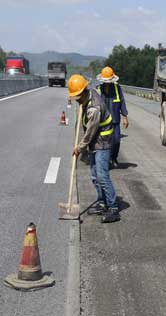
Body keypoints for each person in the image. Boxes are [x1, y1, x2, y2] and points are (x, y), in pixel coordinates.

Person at [68, 74, 120, 223]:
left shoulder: (94, 108)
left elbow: (90, 131)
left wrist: (79, 147)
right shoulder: (87, 97)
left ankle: (113, 208)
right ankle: (102, 202)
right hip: (95, 143)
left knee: (102, 176)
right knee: (94, 175)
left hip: (102, 142)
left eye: (77, 97)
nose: (76, 100)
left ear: (83, 92)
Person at [96, 66, 129, 168]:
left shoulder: (117, 88)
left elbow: (122, 102)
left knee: (116, 141)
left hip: (115, 120)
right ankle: (106, 160)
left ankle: (114, 158)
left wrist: (125, 117)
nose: (107, 83)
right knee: (104, 142)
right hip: (103, 122)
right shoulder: (98, 89)